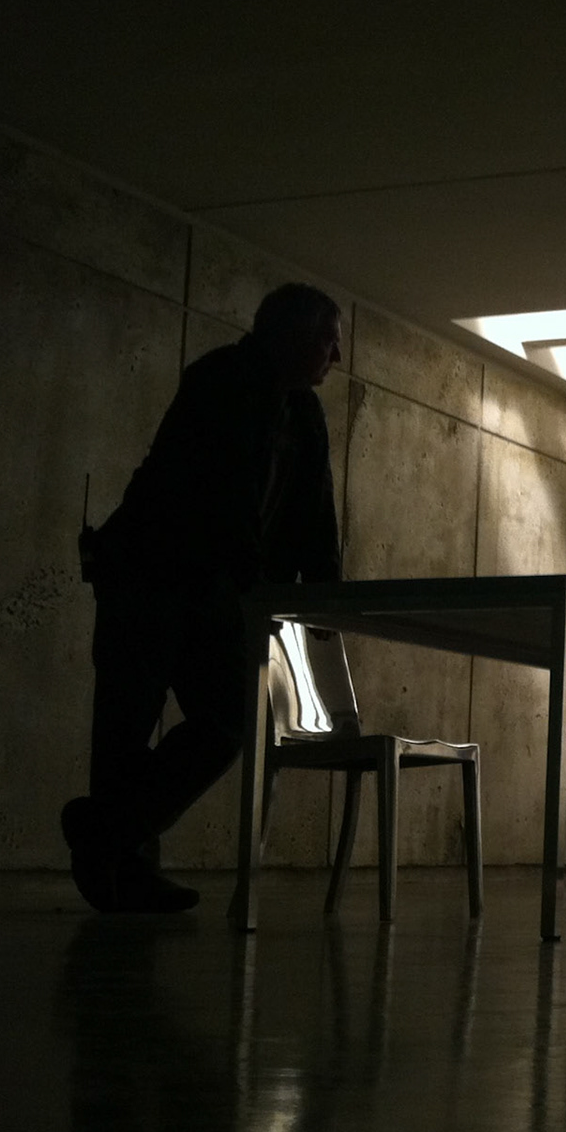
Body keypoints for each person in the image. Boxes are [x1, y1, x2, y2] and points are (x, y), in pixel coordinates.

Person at [62, 284, 344, 913]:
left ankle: (105, 835)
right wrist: (262, 584)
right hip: (150, 577)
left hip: (214, 591)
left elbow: (315, 510)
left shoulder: (305, 414)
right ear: (293, 334)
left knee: (226, 720)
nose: (337, 356)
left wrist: (325, 594)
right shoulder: (221, 379)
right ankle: (123, 867)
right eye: (330, 339)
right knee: (127, 727)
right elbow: (218, 491)